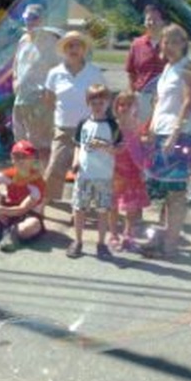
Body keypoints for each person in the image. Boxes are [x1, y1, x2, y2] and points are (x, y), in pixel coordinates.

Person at [141, 24, 191, 260]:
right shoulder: (167, 68)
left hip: (179, 134)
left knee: (176, 192)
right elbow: (159, 103)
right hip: (161, 134)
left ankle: (171, 245)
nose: (169, 45)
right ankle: (163, 238)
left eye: (175, 41)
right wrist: (152, 129)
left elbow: (190, 101)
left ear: (184, 44)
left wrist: (176, 132)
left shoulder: (188, 67)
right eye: (166, 41)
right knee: (162, 190)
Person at [41, 30, 107, 204]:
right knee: (55, 166)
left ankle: (83, 207)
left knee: (87, 169)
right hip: (63, 128)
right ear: (64, 49)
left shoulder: (94, 72)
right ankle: (46, 203)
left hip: (88, 129)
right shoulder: (55, 73)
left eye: (77, 45)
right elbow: (49, 100)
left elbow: (103, 98)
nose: (73, 49)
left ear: (84, 49)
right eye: (69, 45)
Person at [67, 84, 122, 259]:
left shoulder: (113, 125)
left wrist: (104, 146)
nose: (97, 107)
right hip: (84, 174)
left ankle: (100, 243)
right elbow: (78, 145)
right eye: (94, 103)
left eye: (101, 103)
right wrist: (75, 162)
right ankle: (78, 241)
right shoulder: (83, 123)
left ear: (107, 103)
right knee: (79, 208)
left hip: (103, 176)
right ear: (88, 103)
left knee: (102, 210)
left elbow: (119, 150)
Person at [0, 139, 47, 253]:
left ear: (32, 159)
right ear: (12, 159)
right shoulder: (10, 173)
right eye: (16, 156)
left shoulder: (38, 182)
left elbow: (21, 210)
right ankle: (1, 226)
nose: (20, 160)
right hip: (7, 209)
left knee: (32, 226)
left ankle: (10, 232)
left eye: (24, 156)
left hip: (28, 214)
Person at [11, 3, 59, 166]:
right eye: (27, 18)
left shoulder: (51, 41)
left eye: (34, 18)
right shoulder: (23, 40)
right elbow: (16, 63)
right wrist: (15, 80)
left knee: (40, 142)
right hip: (21, 97)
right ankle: (25, 174)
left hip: (40, 98)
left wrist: (49, 92)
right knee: (21, 138)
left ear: (42, 20)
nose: (30, 22)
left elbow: (58, 69)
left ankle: (42, 177)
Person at [109, 90, 149, 252]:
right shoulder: (112, 126)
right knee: (113, 204)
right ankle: (113, 235)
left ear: (135, 107)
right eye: (121, 104)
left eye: (128, 105)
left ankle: (128, 234)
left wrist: (143, 167)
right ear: (116, 107)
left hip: (132, 170)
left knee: (131, 206)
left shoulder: (138, 126)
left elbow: (142, 149)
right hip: (115, 171)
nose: (124, 108)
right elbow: (108, 148)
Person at [125, 3, 167, 122]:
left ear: (163, 22)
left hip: (164, 98)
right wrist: (132, 96)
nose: (151, 23)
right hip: (142, 98)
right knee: (141, 133)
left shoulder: (170, 44)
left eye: (156, 19)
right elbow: (131, 73)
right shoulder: (136, 44)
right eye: (148, 19)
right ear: (144, 22)